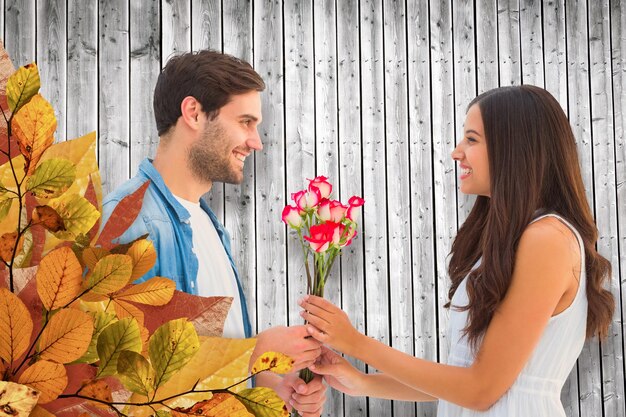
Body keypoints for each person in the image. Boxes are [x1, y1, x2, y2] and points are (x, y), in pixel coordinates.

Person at [298, 85, 615, 416]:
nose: (456, 152)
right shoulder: (515, 238)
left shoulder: (548, 239)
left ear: (515, 148)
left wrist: (357, 344)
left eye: (472, 139)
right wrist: (362, 382)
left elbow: (481, 389)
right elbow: (465, 377)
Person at [102, 50, 325, 417]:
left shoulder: (208, 225)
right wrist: (251, 352)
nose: (257, 142)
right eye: (245, 121)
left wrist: (270, 382)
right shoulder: (128, 220)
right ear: (193, 113)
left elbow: (212, 359)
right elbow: (120, 382)